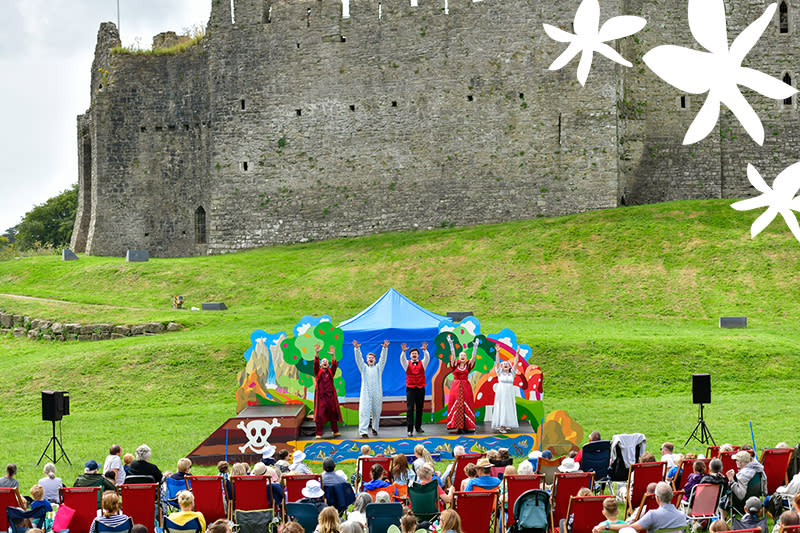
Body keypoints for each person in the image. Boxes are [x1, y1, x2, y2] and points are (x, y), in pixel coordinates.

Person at [594, 482, 686, 533]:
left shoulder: (653, 515)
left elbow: (629, 527)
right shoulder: (682, 516)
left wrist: (606, 526)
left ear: (657, 498)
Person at [353, 339, 389, 438]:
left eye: (372, 357)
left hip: (377, 392)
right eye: (369, 357)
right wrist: (357, 349)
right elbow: (359, 360)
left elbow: (383, 359)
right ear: (367, 359)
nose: (371, 359)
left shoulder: (378, 368)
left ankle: (375, 428)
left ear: (375, 359)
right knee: (364, 411)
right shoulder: (364, 368)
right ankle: (363, 431)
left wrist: (385, 348)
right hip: (366, 393)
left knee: (377, 412)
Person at [445, 335, 478, 433]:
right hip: (456, 387)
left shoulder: (468, 366)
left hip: (465, 387)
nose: (462, 356)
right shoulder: (455, 365)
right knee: (457, 405)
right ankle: (457, 426)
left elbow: (473, 358)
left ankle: (466, 426)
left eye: (464, 355)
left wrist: (475, 347)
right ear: (459, 357)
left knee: (465, 405)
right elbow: (453, 355)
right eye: (461, 355)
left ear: (466, 357)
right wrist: (451, 344)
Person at [400, 342, 431, 437]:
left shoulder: (423, 363)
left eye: (415, 353)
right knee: (410, 409)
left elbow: (427, 358)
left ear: (418, 355)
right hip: (410, 388)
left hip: (421, 388)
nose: (414, 354)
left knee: (419, 408)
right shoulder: (407, 364)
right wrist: (403, 352)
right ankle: (410, 429)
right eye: (412, 353)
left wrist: (425, 350)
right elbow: (402, 359)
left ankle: (418, 427)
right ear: (410, 356)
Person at [314, 344, 342, 439]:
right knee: (320, 415)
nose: (325, 362)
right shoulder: (318, 372)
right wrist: (317, 353)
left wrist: (333, 355)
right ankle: (318, 433)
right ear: (321, 364)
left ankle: (335, 431)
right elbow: (315, 364)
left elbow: (335, 364)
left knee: (333, 414)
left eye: (326, 361)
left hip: (330, 397)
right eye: (323, 361)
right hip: (322, 398)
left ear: (328, 364)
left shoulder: (330, 372)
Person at [491, 349, 521, 433]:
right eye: (503, 364)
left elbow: (515, 363)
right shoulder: (500, 373)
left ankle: (507, 423)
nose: (505, 365)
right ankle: (502, 426)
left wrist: (517, 353)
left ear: (509, 367)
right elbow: (497, 363)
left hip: (509, 394)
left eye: (507, 364)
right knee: (502, 407)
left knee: (509, 407)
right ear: (501, 367)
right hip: (501, 393)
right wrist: (497, 352)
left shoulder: (512, 374)